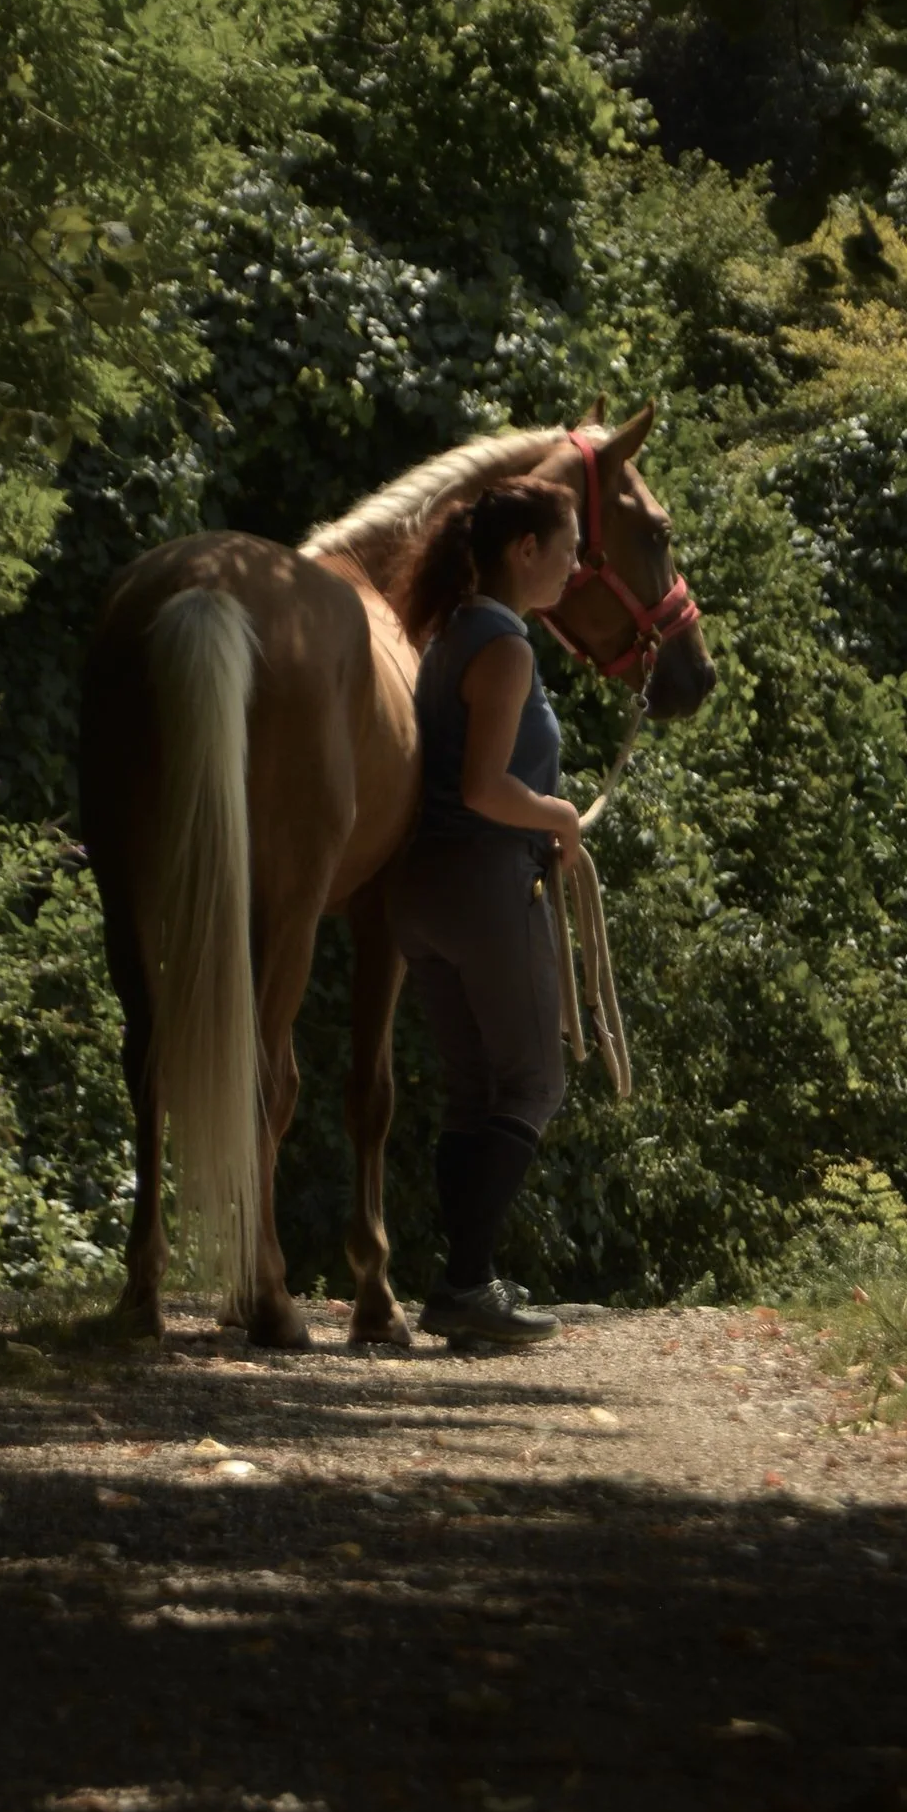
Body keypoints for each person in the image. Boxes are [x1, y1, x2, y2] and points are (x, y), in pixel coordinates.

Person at [389, 474, 585, 1352]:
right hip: (483, 882)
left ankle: (461, 1282)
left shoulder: (450, 631)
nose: (576, 566)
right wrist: (560, 814)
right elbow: (485, 787)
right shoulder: (505, 646)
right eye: (571, 548)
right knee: (535, 1082)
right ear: (525, 549)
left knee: (472, 1094)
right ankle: (467, 1283)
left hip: (420, 890)